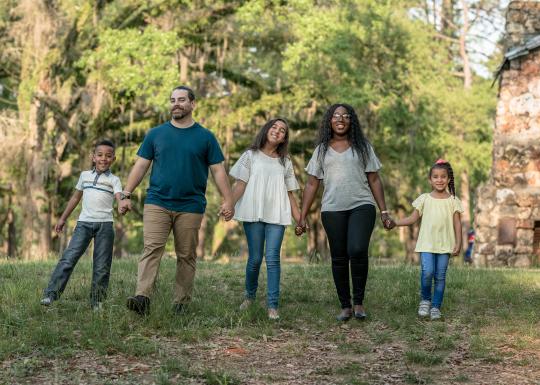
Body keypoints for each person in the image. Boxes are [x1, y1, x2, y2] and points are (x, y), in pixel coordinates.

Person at [120, 85, 234, 316]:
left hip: (191, 205)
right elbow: (141, 165)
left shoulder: (205, 137)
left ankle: (181, 303)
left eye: (181, 100)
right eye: (172, 100)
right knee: (152, 248)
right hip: (157, 202)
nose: (176, 104)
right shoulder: (155, 134)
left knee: (186, 255)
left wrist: (228, 200)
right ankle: (142, 297)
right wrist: (126, 194)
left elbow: (218, 171)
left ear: (193, 104)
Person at [297, 104, 394, 321]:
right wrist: (302, 217)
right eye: (336, 116)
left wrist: (384, 211)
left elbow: (375, 179)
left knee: (357, 249)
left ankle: (359, 303)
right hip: (332, 209)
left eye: (345, 116)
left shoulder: (363, 147)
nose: (340, 119)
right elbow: (312, 184)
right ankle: (345, 306)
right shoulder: (321, 150)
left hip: (362, 205)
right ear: (329, 121)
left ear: (352, 121)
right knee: (339, 257)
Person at [229, 118, 301, 320]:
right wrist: (229, 205)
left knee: (272, 259)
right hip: (254, 212)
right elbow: (239, 185)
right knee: (254, 259)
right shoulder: (250, 156)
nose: (277, 131)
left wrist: (299, 219)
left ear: (284, 138)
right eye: (274, 127)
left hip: (276, 214)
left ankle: (272, 306)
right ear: (266, 129)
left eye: (283, 131)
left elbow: (290, 194)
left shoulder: (285, 162)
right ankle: (249, 297)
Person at [40, 140, 122, 310]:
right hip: (83, 224)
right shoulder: (85, 176)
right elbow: (75, 198)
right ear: (93, 157)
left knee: (102, 264)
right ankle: (51, 294)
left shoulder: (114, 180)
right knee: (68, 258)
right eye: (100, 155)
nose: (103, 159)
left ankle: (97, 301)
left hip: (105, 226)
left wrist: (122, 203)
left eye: (108, 156)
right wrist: (63, 218)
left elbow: (119, 196)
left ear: (113, 159)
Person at [389, 159, 463, 320]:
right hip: (427, 244)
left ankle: (436, 306)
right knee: (427, 272)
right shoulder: (424, 199)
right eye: (435, 177)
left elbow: (457, 224)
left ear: (449, 179)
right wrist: (395, 222)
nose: (439, 180)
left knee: (440, 276)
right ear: (430, 180)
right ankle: (425, 300)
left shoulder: (453, 201)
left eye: (443, 176)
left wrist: (459, 243)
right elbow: (412, 218)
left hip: (445, 245)